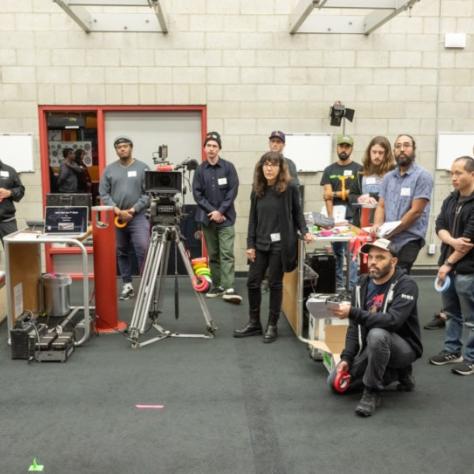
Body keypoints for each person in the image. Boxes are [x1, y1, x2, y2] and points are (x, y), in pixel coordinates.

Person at [328, 238, 423, 417]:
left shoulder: (407, 285)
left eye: (380, 258)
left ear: (393, 261)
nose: (373, 262)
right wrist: (346, 358)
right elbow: (354, 327)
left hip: (403, 348)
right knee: (335, 383)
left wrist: (353, 312)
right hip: (373, 346)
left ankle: (372, 392)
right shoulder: (361, 284)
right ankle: (396, 374)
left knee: (377, 334)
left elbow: (393, 321)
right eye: (370, 257)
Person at [233, 152, 312, 342]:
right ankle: (254, 323)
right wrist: (249, 244)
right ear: (261, 167)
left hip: (280, 244)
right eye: (266, 165)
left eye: (273, 165)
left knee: (275, 284)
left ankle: (272, 325)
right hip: (260, 243)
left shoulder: (290, 187)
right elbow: (253, 218)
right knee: (252, 282)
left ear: (280, 168)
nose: (269, 168)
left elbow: (297, 213)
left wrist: (305, 230)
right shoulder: (257, 189)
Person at [429, 156, 474, 375]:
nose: (453, 177)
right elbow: (440, 226)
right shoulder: (451, 199)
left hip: (467, 270)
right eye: (452, 173)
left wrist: (448, 263)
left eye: (459, 173)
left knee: (472, 318)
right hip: (449, 267)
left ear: (472, 174)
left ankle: (472, 357)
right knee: (452, 313)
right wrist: (451, 241)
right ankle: (452, 350)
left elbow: (468, 242)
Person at [192, 131, 242, 304]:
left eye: (215, 146)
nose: (211, 149)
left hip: (226, 218)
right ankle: (218, 285)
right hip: (208, 219)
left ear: (219, 148)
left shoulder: (228, 167)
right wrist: (212, 212)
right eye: (209, 146)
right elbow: (197, 194)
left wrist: (220, 211)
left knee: (226, 253)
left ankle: (229, 286)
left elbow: (232, 191)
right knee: (213, 254)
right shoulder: (200, 170)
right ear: (204, 148)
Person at [372, 134, 433, 273]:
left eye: (406, 145)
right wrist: (377, 225)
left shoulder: (423, 176)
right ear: (393, 151)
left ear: (413, 149)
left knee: (399, 274)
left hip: (409, 238)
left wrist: (391, 231)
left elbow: (416, 212)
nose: (402, 149)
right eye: (398, 146)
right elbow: (381, 205)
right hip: (388, 236)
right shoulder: (388, 178)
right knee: (384, 275)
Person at [99, 136, 150, 300]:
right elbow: (103, 193)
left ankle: (146, 284)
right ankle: (127, 285)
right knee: (121, 251)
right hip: (117, 217)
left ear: (131, 148)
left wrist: (133, 210)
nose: (122, 149)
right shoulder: (109, 170)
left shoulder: (143, 168)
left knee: (143, 248)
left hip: (138, 216)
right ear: (116, 150)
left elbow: (148, 193)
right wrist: (116, 210)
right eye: (119, 147)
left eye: (125, 146)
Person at [320, 134, 362, 290]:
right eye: (341, 146)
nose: (343, 149)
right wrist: (331, 220)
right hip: (336, 218)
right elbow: (327, 196)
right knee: (337, 254)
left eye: (347, 146)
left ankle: (352, 287)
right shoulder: (329, 170)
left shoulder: (359, 170)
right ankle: (338, 285)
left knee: (351, 255)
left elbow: (357, 194)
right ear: (337, 147)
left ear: (351, 148)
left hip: (353, 218)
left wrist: (337, 194)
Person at [349, 136, 395, 228]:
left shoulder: (393, 172)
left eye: (381, 153)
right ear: (369, 152)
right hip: (363, 223)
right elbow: (351, 195)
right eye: (374, 152)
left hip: (386, 225)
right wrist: (360, 198)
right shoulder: (360, 172)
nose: (377, 156)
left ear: (387, 154)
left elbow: (393, 194)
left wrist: (371, 196)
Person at [0, 159, 25, 245]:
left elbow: (21, 191)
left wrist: (9, 193)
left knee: (14, 253)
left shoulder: (9, 170)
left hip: (7, 221)